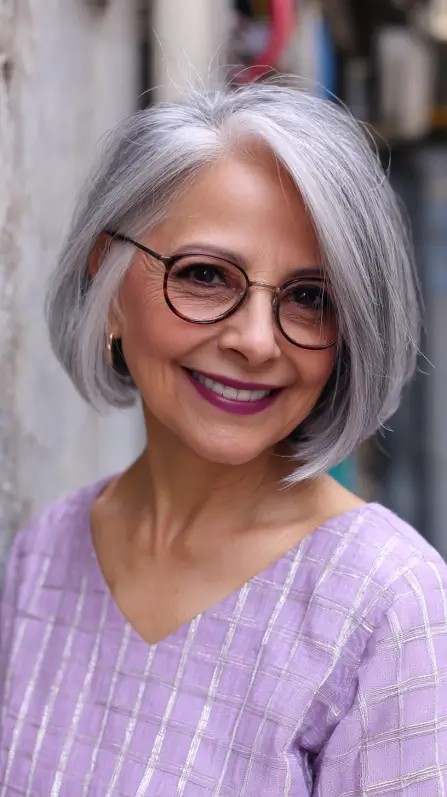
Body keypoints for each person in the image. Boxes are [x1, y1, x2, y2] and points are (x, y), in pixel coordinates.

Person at [1, 81, 446, 796]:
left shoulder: (387, 603)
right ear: (107, 278)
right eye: (205, 275)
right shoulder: (44, 553)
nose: (255, 341)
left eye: (310, 297)